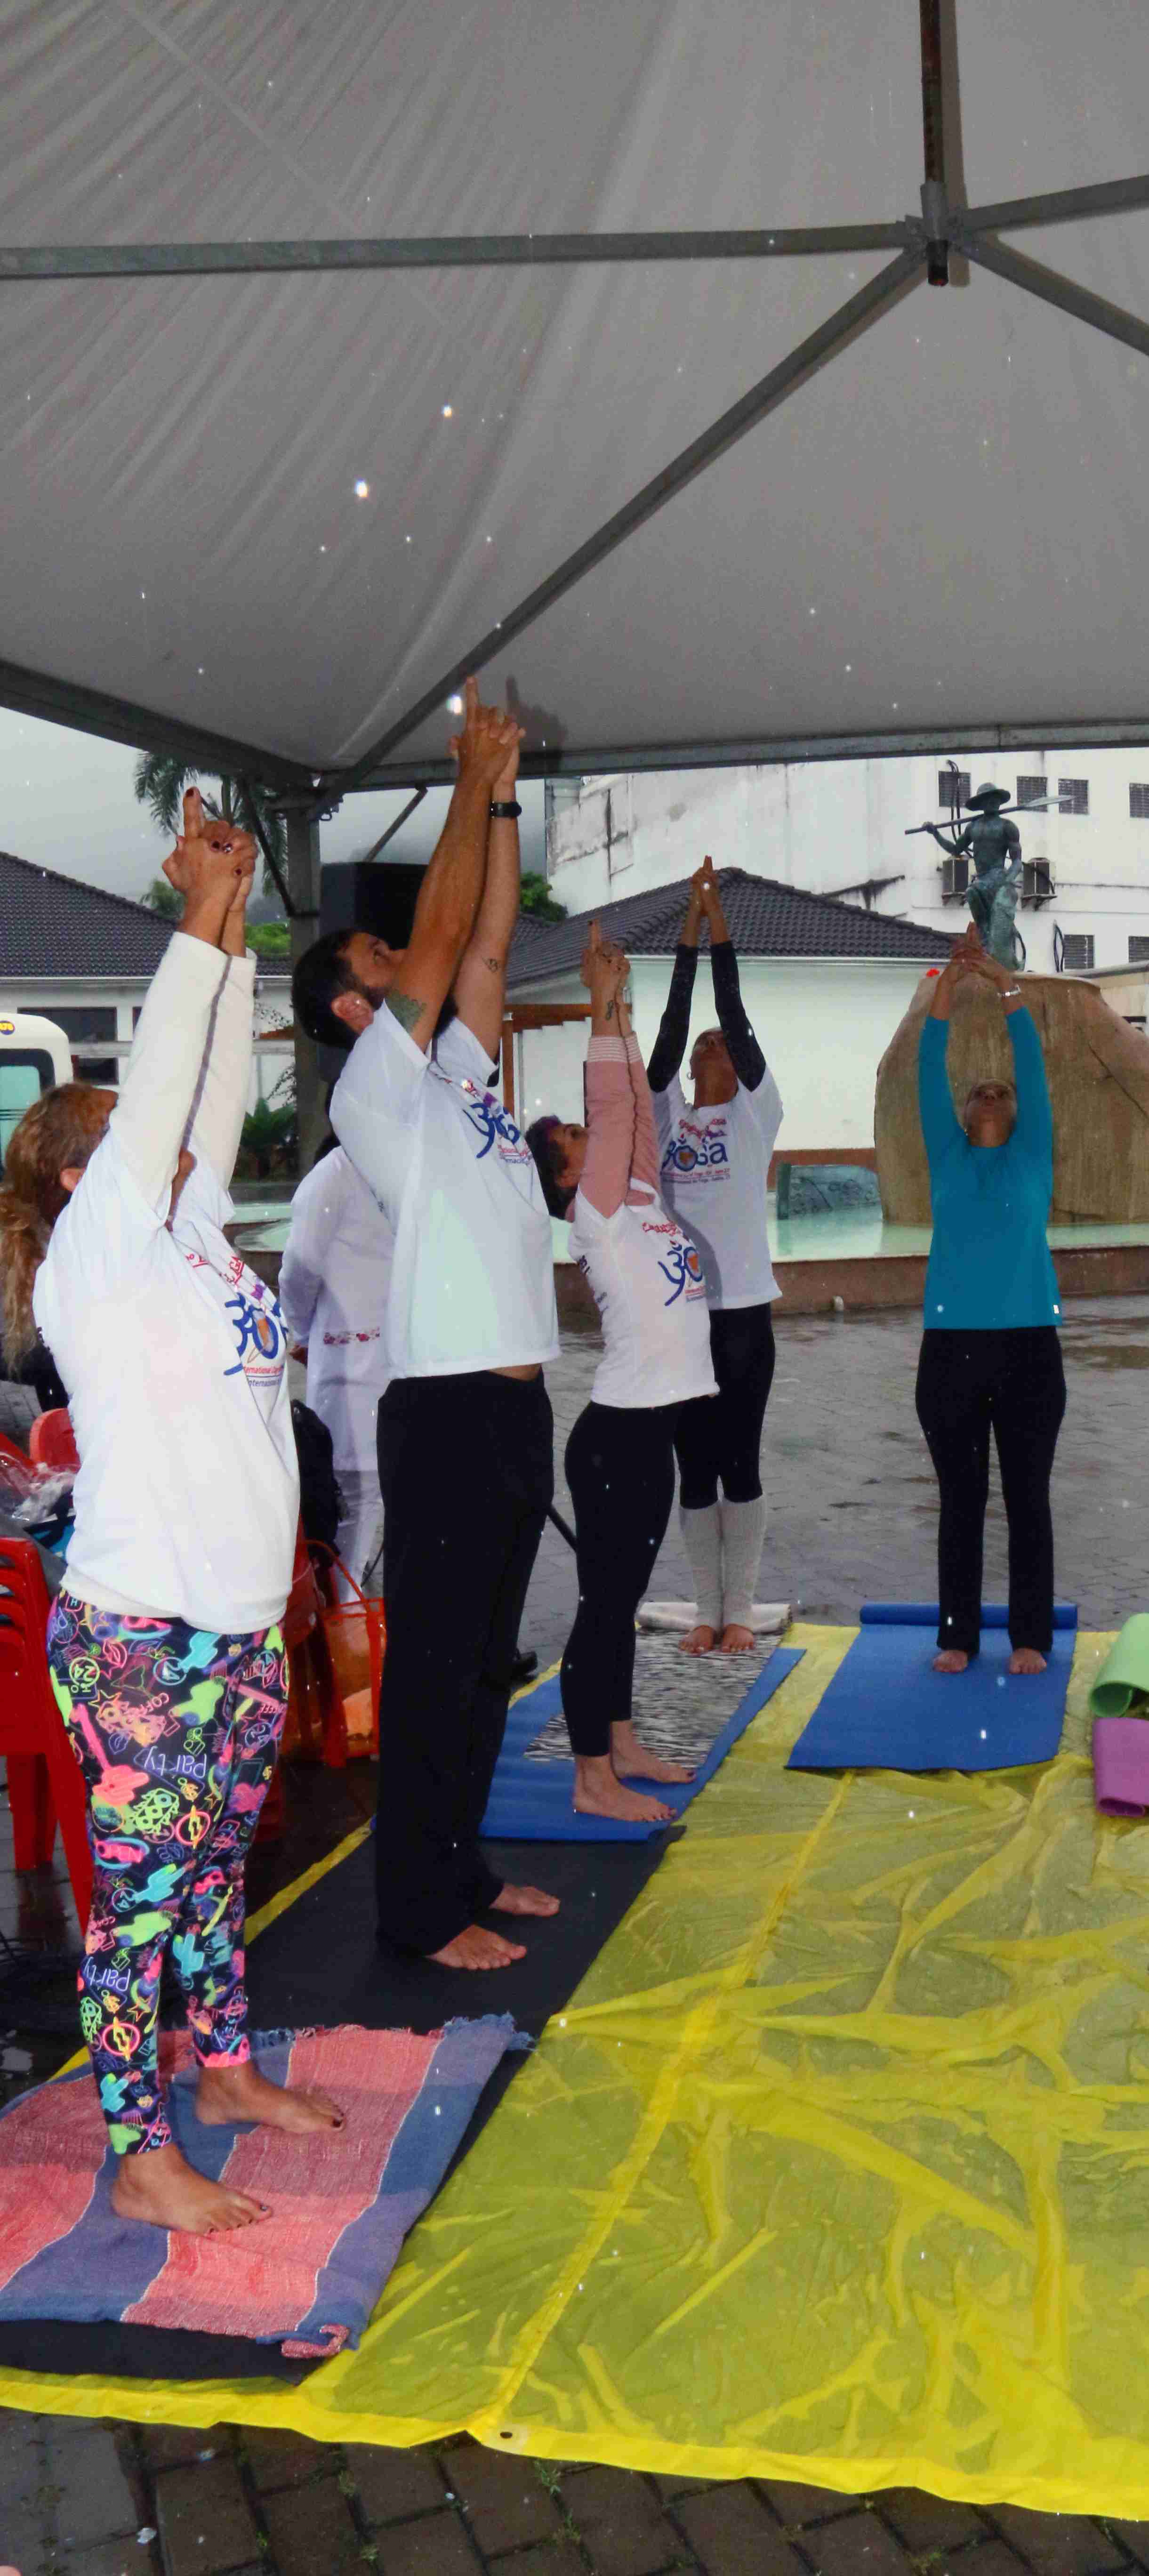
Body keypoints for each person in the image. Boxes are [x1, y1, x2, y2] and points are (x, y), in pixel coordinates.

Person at [0, 794, 342, 2234]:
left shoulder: (189, 1234)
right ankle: (138, 2151)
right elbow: (159, 1095)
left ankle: (222, 2076)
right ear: (79, 1178)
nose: (173, 1143)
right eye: (126, 1141)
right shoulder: (97, 1251)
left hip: (236, 1625)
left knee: (210, 1877)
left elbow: (196, 1083)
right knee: (141, 1902)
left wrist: (235, 907)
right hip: (143, 1632)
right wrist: (196, 917)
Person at [292, 681, 560, 1972]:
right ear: (354, 1008)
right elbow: (450, 931)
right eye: (378, 963)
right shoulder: (373, 1090)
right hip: (446, 1407)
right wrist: (464, 777)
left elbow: (488, 946)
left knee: (484, 1661)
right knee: (433, 1671)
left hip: (512, 1402)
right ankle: (415, 1912)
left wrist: (503, 791)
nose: (402, 961)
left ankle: (463, 1865)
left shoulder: (451, 1072)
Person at [535, 925, 718, 1821]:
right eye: (566, 1137)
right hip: (617, 1437)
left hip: (652, 1431)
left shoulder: (637, 1194)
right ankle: (589, 1774)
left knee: (624, 1598)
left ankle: (620, 1736)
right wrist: (596, 1005)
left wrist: (623, 1004)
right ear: (567, 1174)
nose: (581, 1133)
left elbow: (636, 1108)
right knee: (603, 1607)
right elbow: (610, 1110)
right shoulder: (597, 1213)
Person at [916, 925, 1064, 1675]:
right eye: (980, 1088)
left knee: (1028, 1497)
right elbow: (926, 1071)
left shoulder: (1033, 1152)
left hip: (1030, 1345)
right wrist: (945, 994)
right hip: (950, 1350)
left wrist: (1007, 991)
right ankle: (957, 1635)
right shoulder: (946, 1152)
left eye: (1000, 1090)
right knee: (962, 1500)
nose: (991, 1092)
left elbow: (1031, 1072)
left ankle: (1031, 1636)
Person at [646, 858, 782, 1654]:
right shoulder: (665, 1118)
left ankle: (741, 1610)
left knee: (741, 1462)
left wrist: (716, 925)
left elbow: (731, 1012)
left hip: (741, 1321)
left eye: (723, 1046)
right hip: (681, 1321)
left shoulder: (755, 1117)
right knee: (692, 1469)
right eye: (705, 1048)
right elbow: (668, 1034)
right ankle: (706, 1609)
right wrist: (684, 945)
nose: (712, 1049)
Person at [279, 1134, 394, 1586]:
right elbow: (299, 1268)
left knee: (370, 1500)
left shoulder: (396, 1167)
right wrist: (302, 1331)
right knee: (353, 1498)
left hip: (392, 1367)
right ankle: (343, 1619)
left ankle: (351, 1612)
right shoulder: (333, 1176)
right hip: (350, 1367)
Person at [925, 788, 1023, 968]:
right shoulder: (973, 827)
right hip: (982, 877)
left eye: (996, 799)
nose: (992, 802)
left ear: (1000, 802)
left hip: (998, 875)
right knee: (972, 893)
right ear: (981, 804)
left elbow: (1018, 861)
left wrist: (1008, 879)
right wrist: (936, 834)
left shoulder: (1007, 827)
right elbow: (956, 849)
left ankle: (999, 947)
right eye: (988, 799)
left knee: (977, 893)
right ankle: (985, 940)